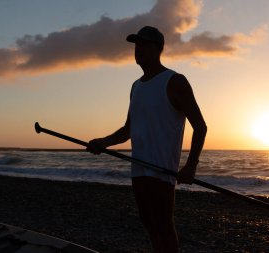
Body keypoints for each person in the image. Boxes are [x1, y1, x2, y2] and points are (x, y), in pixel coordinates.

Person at [86, 26, 207, 253]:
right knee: (148, 222)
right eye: (136, 45)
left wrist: (191, 165)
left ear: (157, 48)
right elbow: (128, 129)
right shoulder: (136, 86)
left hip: (162, 170)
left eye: (143, 44)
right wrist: (103, 142)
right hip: (139, 168)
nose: (137, 49)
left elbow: (200, 126)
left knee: (163, 224)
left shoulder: (175, 81)